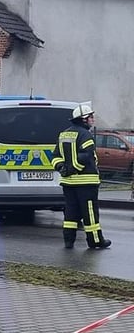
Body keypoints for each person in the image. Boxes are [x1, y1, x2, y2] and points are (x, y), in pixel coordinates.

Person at [51, 102, 110, 250]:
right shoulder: (86, 135)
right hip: (86, 182)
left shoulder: (63, 134)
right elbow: (86, 156)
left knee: (71, 211)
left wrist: (62, 168)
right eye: (90, 117)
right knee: (90, 212)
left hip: (68, 183)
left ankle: (68, 240)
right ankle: (95, 240)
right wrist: (73, 168)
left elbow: (55, 156)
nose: (93, 119)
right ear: (83, 119)